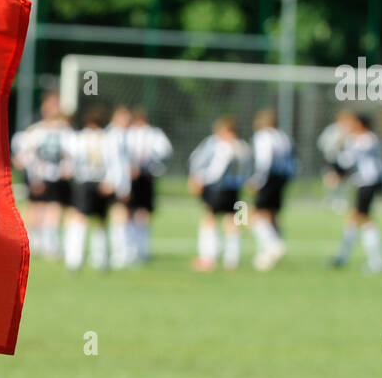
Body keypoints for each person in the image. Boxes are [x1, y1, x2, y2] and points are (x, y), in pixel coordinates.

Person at [63, 107, 130, 272]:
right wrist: (114, 183)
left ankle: (74, 258)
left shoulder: (78, 139)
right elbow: (116, 164)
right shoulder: (108, 140)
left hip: (84, 182)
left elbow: (70, 159)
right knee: (101, 221)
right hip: (102, 183)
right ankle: (100, 259)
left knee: (80, 218)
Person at [12, 92, 74, 258]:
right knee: (35, 207)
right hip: (38, 175)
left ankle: (50, 242)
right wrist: (32, 174)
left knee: (54, 206)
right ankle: (33, 241)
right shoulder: (36, 129)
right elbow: (24, 153)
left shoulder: (65, 130)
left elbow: (71, 153)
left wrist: (67, 167)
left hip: (56, 176)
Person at [187, 116, 251, 272]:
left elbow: (213, 169)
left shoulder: (220, 145)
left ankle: (208, 258)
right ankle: (232, 260)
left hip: (219, 188)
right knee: (233, 220)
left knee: (210, 218)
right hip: (235, 189)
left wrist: (200, 179)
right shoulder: (243, 147)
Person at [330, 112, 382, 274]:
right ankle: (342, 257)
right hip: (363, 182)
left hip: (368, 182)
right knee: (354, 219)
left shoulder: (366, 140)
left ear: (360, 124)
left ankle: (376, 262)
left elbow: (348, 160)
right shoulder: (360, 139)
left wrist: (337, 173)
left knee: (364, 219)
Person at [119, 108, 174, 265]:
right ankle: (128, 250)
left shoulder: (154, 134)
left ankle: (140, 250)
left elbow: (164, 151)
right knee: (128, 212)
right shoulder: (126, 134)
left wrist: (147, 165)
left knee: (141, 212)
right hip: (129, 177)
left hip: (144, 177)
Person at [246, 108, 296, 271]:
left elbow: (264, 160)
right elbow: (292, 160)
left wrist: (257, 180)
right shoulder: (283, 136)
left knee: (254, 215)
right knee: (271, 214)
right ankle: (270, 251)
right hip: (281, 179)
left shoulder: (263, 136)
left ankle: (273, 245)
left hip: (268, 178)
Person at [317, 113, 353, 212]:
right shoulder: (332, 130)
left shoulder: (349, 130)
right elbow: (322, 143)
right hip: (332, 158)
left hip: (344, 160)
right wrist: (336, 143)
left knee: (342, 180)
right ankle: (331, 198)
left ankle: (340, 199)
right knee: (332, 179)